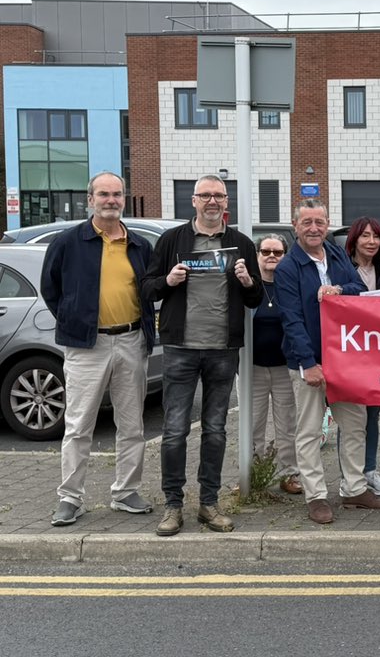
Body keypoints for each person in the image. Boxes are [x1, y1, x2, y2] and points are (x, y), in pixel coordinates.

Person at [141, 174, 263, 536]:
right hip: (181, 348)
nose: (212, 201)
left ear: (226, 202)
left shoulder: (241, 244)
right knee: (174, 431)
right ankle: (173, 505)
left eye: (219, 196)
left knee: (215, 430)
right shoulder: (172, 240)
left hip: (222, 350)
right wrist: (168, 281)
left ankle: (209, 504)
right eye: (205, 195)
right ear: (194, 200)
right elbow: (147, 289)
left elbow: (256, 297)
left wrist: (247, 281)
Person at [41, 171, 156, 526]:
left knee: (132, 424)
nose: (111, 200)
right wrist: (76, 320)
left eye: (117, 194)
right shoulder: (68, 242)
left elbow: (149, 288)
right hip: (86, 346)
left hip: (131, 340)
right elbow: (51, 289)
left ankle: (126, 492)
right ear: (90, 199)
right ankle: (70, 498)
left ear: (124, 199)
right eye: (104, 194)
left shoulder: (139, 245)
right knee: (78, 426)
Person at [275, 199, 380, 525]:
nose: (314, 229)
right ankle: (316, 496)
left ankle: (354, 489)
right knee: (310, 431)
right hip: (309, 361)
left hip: (344, 359)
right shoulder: (288, 268)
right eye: (307, 222)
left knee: (354, 424)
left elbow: (359, 288)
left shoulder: (337, 254)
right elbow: (292, 321)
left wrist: (339, 290)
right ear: (295, 226)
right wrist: (308, 363)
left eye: (319, 222)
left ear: (327, 225)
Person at [344, 216, 380, 497]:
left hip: (379, 353)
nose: (371, 242)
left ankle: (370, 471)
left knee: (372, 415)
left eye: (376, 236)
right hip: (350, 354)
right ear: (354, 239)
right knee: (351, 417)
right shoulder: (341, 268)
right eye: (365, 236)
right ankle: (350, 476)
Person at [251, 233, 301, 495]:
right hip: (252, 369)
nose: (271, 256)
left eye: (278, 252)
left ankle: (288, 474)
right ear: (257, 255)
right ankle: (252, 476)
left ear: (285, 255)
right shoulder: (249, 286)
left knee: (287, 426)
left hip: (284, 367)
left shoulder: (289, 286)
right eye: (266, 251)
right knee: (252, 425)